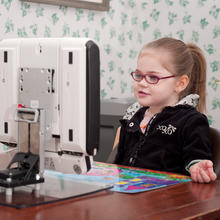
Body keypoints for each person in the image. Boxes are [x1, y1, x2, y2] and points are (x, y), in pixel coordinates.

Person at [114, 37, 217, 183]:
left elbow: (196, 156)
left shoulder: (191, 121)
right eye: (138, 75)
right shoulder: (133, 118)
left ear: (180, 84)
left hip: (166, 199)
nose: (142, 83)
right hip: (129, 195)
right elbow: (119, 165)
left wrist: (197, 165)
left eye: (153, 77)